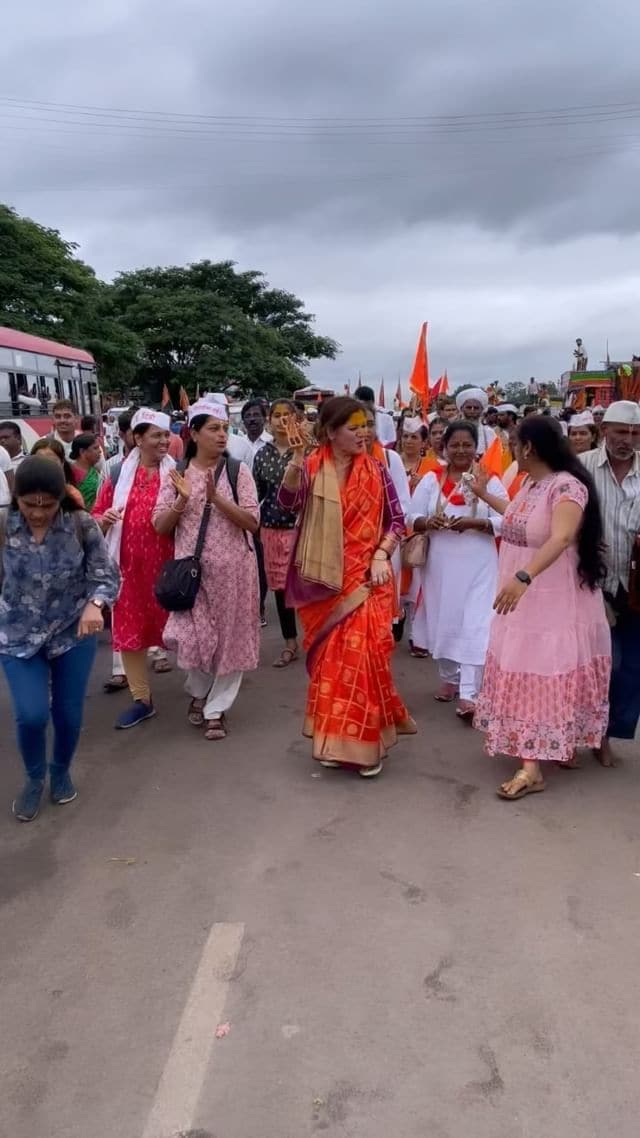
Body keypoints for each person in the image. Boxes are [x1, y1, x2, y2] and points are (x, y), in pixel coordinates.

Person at [472, 416, 610, 798]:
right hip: (523, 604)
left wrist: (524, 577)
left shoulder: (567, 487)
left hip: (551, 603)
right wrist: (485, 496)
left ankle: (532, 767)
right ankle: (551, 746)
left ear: (528, 448)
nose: (513, 450)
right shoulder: (533, 484)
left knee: (543, 670)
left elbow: (562, 536)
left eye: (515, 444)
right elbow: (519, 522)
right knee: (527, 669)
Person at [278, 395, 415, 777]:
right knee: (331, 666)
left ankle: (365, 745)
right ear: (331, 431)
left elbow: (397, 521)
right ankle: (335, 741)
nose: (363, 433)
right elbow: (286, 503)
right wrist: (293, 461)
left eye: (366, 426)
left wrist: (380, 555)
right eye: (353, 427)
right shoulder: (309, 466)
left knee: (361, 659)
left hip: (366, 580)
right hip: (322, 581)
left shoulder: (378, 470)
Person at [0, 457, 119, 821]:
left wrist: (95, 605)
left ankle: (60, 771)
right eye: (29, 504)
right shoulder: (3, 525)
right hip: (17, 636)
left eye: (47, 505)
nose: (38, 513)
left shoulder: (80, 524)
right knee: (32, 714)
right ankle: (34, 779)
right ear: (16, 498)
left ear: (60, 499)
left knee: (67, 714)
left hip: (72, 633)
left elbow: (106, 574)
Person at [153, 400, 260, 739]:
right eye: (214, 428)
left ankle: (216, 709)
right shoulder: (177, 474)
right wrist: (182, 500)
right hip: (193, 577)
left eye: (225, 429)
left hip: (236, 573)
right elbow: (160, 525)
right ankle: (199, 691)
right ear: (194, 433)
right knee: (194, 640)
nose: (221, 435)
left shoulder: (237, 471)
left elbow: (253, 522)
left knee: (231, 641)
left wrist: (218, 500)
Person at [409, 421, 507, 717]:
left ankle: (470, 693)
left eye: (467, 445)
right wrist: (430, 522)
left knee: (476, 625)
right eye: (455, 445)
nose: (461, 450)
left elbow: (509, 516)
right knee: (444, 619)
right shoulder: (431, 480)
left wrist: (476, 523)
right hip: (440, 564)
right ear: (445, 447)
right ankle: (449, 680)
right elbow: (410, 515)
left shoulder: (488, 480)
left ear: (476, 448)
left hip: (480, 563)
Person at [93, 409, 175, 729]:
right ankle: (141, 699)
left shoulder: (177, 473)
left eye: (166, 435)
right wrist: (105, 520)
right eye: (156, 435)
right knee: (131, 634)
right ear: (137, 438)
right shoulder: (116, 476)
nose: (163, 441)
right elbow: (96, 519)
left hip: (170, 570)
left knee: (185, 629)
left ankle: (202, 692)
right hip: (128, 571)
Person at [580, 401, 640, 767]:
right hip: (592, 582)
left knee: (632, 666)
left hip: (636, 586)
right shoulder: (582, 467)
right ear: (604, 431)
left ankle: (609, 731)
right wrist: (581, 539)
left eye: (635, 433)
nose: (628, 440)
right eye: (621, 431)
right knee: (603, 663)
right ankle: (593, 733)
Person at [253, 400, 303, 666]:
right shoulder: (262, 454)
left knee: (306, 585)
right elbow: (256, 495)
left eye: (287, 415)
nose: (282, 420)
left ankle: (318, 638)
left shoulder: (307, 451)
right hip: (271, 528)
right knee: (281, 590)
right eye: (277, 415)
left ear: (296, 418)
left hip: (303, 528)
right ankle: (290, 642)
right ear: (269, 420)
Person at [31, 437, 85, 507]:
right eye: (40, 461)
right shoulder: (23, 492)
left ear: (62, 463)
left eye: (51, 462)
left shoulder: (72, 495)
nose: (45, 466)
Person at [398, 416, 439, 493]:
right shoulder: (390, 462)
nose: (408, 441)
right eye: (405, 436)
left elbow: (437, 493)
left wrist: (423, 484)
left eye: (414, 437)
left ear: (424, 442)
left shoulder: (433, 466)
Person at [455, 389, 497, 455]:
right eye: (469, 407)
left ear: (482, 410)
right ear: (462, 409)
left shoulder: (488, 432)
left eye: (476, 408)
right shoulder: (452, 430)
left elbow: (495, 455)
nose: (472, 411)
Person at [69, 432, 104, 509]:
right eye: (95, 448)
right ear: (82, 452)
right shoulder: (70, 473)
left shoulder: (96, 471)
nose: (100, 451)